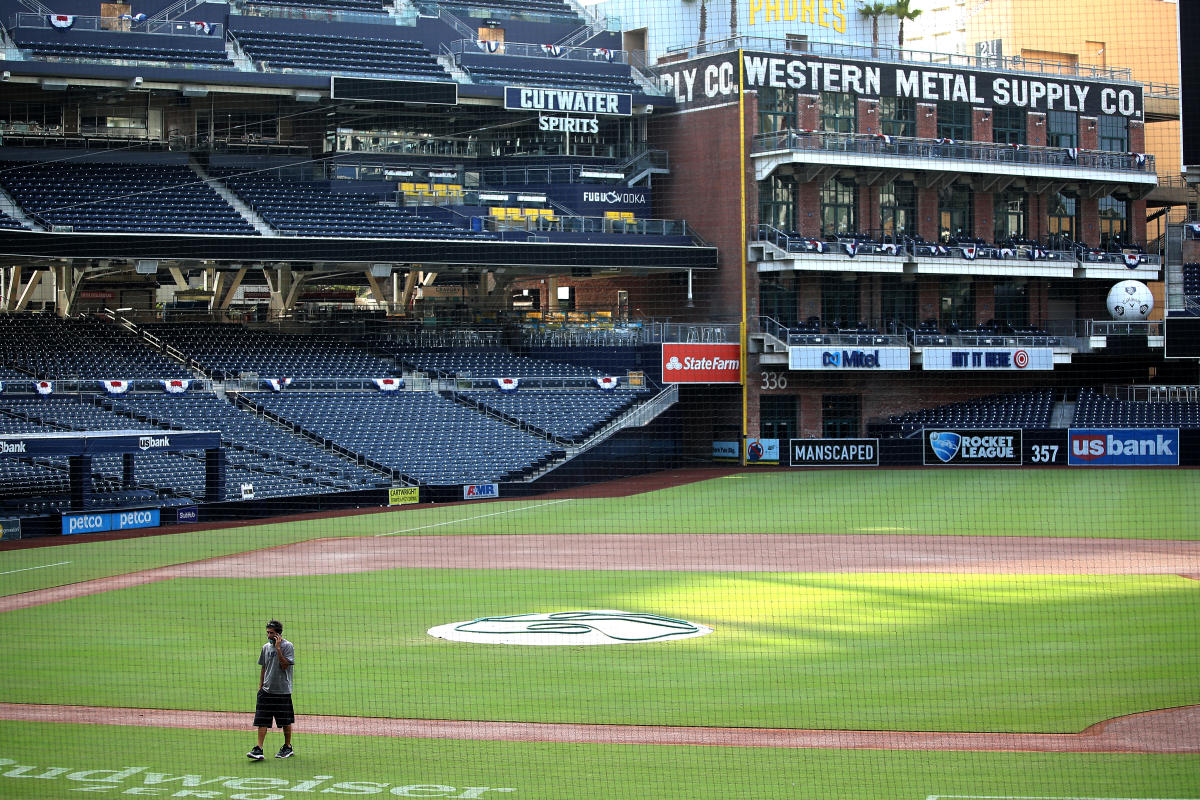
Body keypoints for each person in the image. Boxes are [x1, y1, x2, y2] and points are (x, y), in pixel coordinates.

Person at [247, 620, 295, 760]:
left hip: (282, 691)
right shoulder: (266, 647)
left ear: (279, 634)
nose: (268, 636)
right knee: (262, 720)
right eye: (267, 632)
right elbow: (264, 667)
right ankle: (259, 749)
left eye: (271, 633)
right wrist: (260, 686)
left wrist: (279, 649)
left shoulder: (288, 646)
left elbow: (285, 665)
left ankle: (287, 747)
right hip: (266, 691)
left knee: (285, 721)